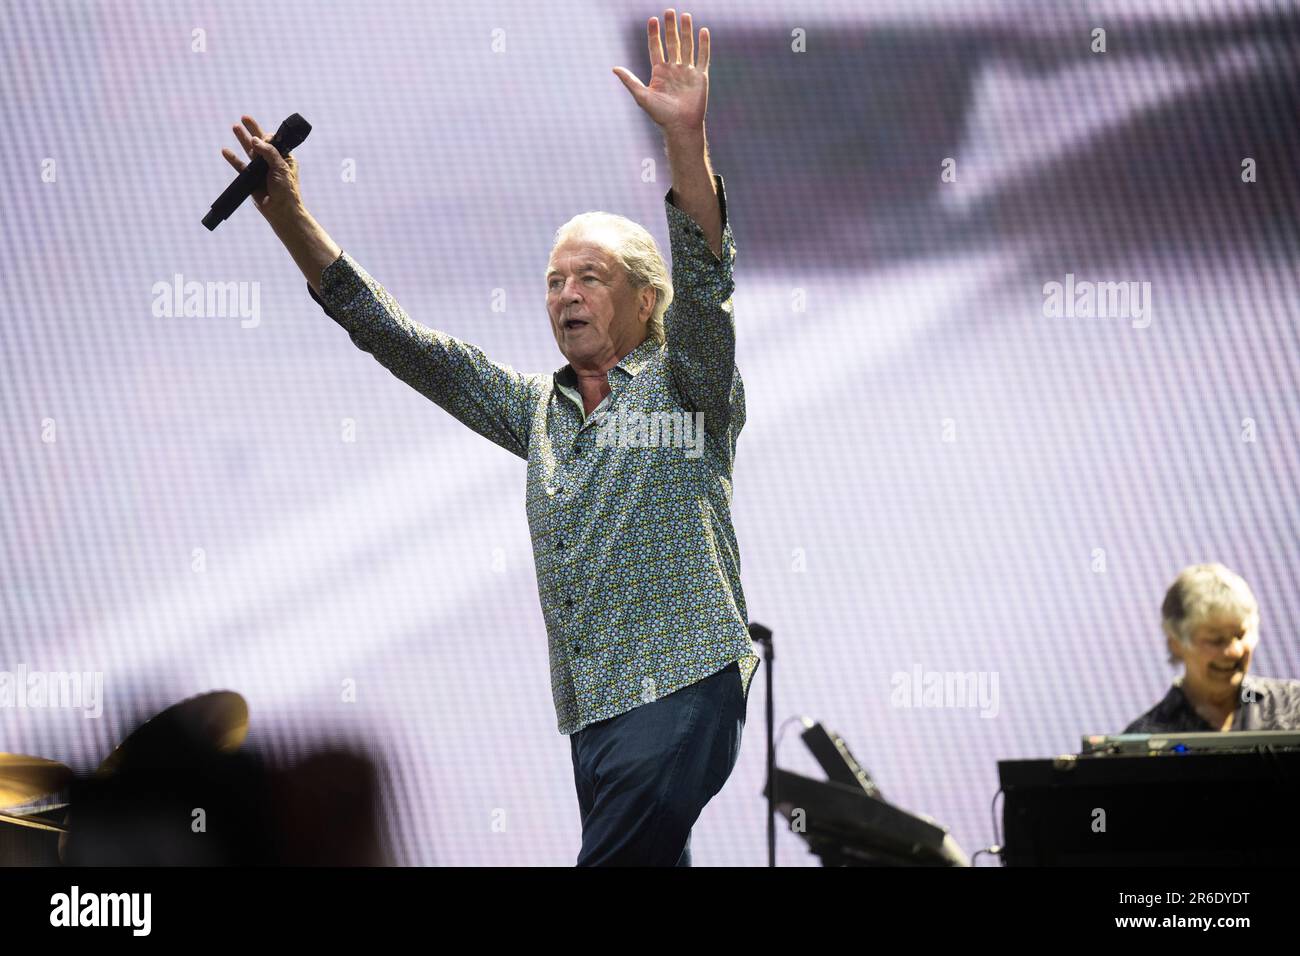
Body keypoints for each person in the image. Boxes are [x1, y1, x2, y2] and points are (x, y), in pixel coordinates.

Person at [219, 10, 757, 866]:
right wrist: (287, 212)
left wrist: (686, 142)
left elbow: (704, 272)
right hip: (594, 712)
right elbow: (400, 340)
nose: (566, 293)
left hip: (683, 687)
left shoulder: (687, 387)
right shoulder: (537, 412)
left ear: (644, 302)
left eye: (591, 276)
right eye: (553, 281)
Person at [1124, 562, 1300, 733]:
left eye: (1240, 635)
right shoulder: (1146, 738)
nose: (1235, 651)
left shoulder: (1293, 706)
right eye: (1216, 640)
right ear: (1176, 644)